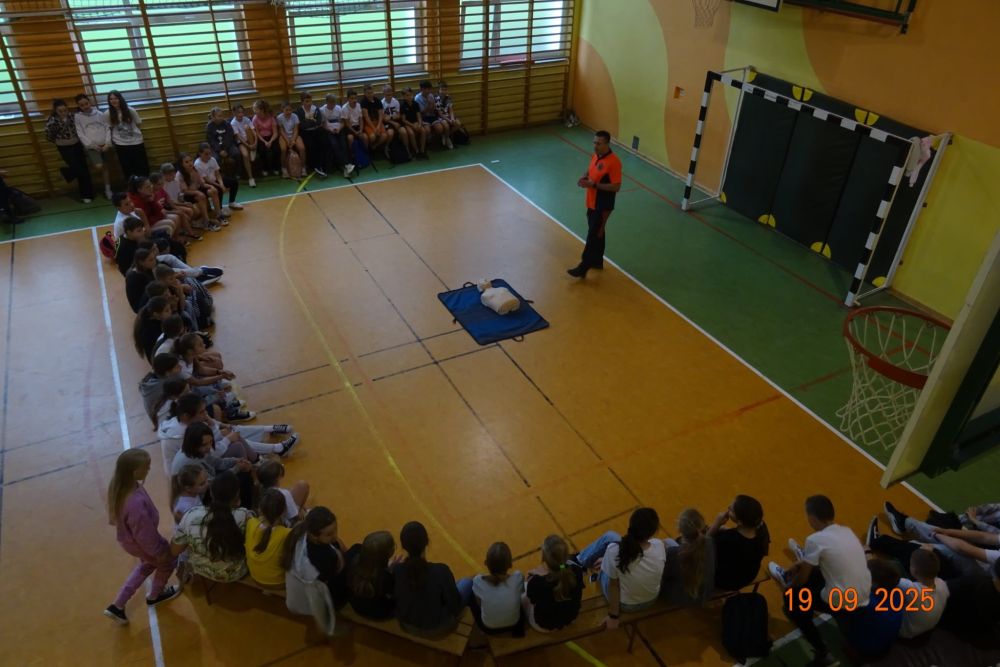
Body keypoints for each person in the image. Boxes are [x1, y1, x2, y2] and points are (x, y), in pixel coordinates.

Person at [768, 495, 871, 667]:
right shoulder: (847, 531)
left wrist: (789, 587)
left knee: (793, 599)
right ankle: (808, 558)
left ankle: (823, 652)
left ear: (812, 519)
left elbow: (802, 580)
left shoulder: (815, 540)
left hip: (842, 602)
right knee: (814, 571)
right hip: (863, 594)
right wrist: (804, 563)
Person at [103, 449, 181, 625]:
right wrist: (159, 552)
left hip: (130, 541)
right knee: (167, 562)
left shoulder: (122, 487)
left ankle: (117, 605)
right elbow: (145, 535)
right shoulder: (135, 504)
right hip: (142, 543)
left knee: (146, 565)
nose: (149, 469)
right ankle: (156, 595)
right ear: (134, 472)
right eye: (146, 467)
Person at [574, 507, 666, 627]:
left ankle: (579, 562)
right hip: (651, 598)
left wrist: (613, 616)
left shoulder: (614, 551)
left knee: (610, 536)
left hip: (625, 604)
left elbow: (613, 586)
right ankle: (584, 560)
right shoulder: (659, 545)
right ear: (653, 532)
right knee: (612, 542)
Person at [173, 471, 251, 582]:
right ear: (237, 496)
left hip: (201, 570)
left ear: (211, 493)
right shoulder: (245, 515)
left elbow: (174, 551)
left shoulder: (191, 514)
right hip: (235, 573)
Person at [392, 520, 463, 636]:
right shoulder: (441, 570)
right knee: (467, 583)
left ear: (403, 546)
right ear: (426, 542)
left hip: (406, 624)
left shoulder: (397, 570)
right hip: (436, 627)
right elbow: (455, 604)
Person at [567, 130, 623, 278]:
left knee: (592, 235)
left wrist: (594, 185)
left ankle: (583, 267)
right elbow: (590, 169)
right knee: (598, 232)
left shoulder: (614, 162)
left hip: (602, 205)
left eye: (598, 143)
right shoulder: (596, 156)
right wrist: (584, 176)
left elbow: (616, 186)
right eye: (594, 142)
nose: (595, 146)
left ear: (607, 144)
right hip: (592, 203)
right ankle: (597, 261)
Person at [280, 506, 349, 607]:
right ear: (314, 535)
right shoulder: (326, 557)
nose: (335, 535)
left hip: (301, 589)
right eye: (329, 534)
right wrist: (341, 559)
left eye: (335, 530)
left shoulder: (299, 531)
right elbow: (334, 574)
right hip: (318, 600)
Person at [839, 559, 904, 662]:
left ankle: (854, 653)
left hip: (868, 649)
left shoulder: (866, 603)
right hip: (888, 641)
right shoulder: (897, 593)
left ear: (874, 584)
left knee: (841, 615)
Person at [523, 534, 584, 632]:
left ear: (544, 558)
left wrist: (533, 578)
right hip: (571, 618)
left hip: (544, 625)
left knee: (524, 588)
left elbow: (532, 600)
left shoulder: (536, 582)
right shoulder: (577, 571)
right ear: (566, 556)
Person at [710, 494, 770, 591]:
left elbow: (704, 545)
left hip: (725, 581)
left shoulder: (729, 538)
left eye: (731, 510)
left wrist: (716, 524)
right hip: (748, 576)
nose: (728, 508)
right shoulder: (762, 530)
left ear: (740, 522)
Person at [462, 542, 524, 635]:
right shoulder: (518, 577)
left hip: (488, 628)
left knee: (471, 594)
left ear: (487, 563)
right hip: (514, 624)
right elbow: (521, 594)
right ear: (510, 564)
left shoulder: (478, 581)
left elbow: (479, 603)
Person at [661, 509, 714, 607]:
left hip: (679, 598)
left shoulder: (674, 553)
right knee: (668, 542)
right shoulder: (709, 542)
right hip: (704, 594)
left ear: (680, 530)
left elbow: (663, 575)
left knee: (666, 542)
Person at [45, 99, 93, 202]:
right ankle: (67, 173)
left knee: (84, 169)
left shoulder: (72, 116)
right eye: (60, 111)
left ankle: (88, 194)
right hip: (64, 147)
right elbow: (49, 135)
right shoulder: (52, 121)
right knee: (78, 169)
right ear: (56, 111)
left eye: (65, 110)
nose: (63, 113)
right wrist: (59, 141)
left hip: (77, 145)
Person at [896, 547, 949, 639]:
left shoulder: (909, 588)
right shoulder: (943, 584)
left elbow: (885, 576)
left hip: (906, 633)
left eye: (911, 564)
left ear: (914, 571)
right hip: (926, 630)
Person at [345, 530, 397, 620]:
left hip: (356, 607)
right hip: (379, 614)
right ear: (389, 554)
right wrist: (392, 571)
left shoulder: (354, 555)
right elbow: (393, 593)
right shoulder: (385, 577)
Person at [246, 488, 292, 587]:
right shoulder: (287, 533)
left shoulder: (251, 523)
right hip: (277, 582)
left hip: (254, 576)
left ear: (260, 510)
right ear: (284, 511)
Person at [74, 93, 113, 199]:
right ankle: (101, 187)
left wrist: (107, 143)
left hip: (104, 144)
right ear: (79, 106)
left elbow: (107, 128)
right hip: (92, 147)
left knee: (106, 167)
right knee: (99, 166)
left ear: (90, 102)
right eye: (82, 105)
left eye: (86, 103)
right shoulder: (78, 117)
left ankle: (108, 189)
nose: (85, 106)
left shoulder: (99, 114)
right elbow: (80, 133)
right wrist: (91, 145)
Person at [106, 90, 148, 181]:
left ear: (120, 99)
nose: (113, 101)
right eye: (111, 99)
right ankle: (132, 187)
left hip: (136, 142)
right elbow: (109, 128)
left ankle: (145, 185)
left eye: (116, 98)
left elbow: (138, 123)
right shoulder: (107, 113)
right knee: (127, 168)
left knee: (141, 166)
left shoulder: (130, 110)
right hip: (121, 144)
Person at [194, 142, 241, 218]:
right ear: (200, 153)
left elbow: (218, 174)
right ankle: (220, 209)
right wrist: (220, 186)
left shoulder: (212, 159)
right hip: (206, 184)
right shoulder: (197, 164)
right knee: (218, 189)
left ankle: (232, 202)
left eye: (210, 153)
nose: (209, 156)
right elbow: (207, 180)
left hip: (215, 180)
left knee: (234, 182)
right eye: (206, 154)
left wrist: (221, 183)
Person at [256, 460, 309, 526]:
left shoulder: (259, 490)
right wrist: (302, 513)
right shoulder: (283, 493)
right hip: (285, 524)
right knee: (302, 485)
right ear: (278, 477)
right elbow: (294, 517)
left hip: (269, 522)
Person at [319, 93, 355, 179]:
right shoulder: (322, 110)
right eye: (331, 103)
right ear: (327, 102)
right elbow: (323, 125)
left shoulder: (338, 108)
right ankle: (346, 165)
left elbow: (342, 122)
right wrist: (330, 130)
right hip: (329, 131)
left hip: (339, 130)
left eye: (334, 103)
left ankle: (346, 165)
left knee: (343, 144)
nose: (333, 105)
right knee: (334, 145)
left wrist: (339, 129)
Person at [133, 296, 173, 364]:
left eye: (170, 309)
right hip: (160, 362)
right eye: (167, 311)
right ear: (156, 314)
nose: (170, 312)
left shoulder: (153, 320)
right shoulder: (152, 331)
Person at [296, 92, 327, 178]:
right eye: (306, 101)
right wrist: (312, 121)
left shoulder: (316, 109)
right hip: (305, 133)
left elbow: (319, 122)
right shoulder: (299, 111)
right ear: (302, 102)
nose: (309, 103)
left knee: (324, 142)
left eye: (310, 101)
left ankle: (323, 165)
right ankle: (315, 166)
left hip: (316, 131)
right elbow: (302, 125)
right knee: (311, 146)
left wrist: (309, 122)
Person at [204, 107, 239, 176]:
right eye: (219, 116)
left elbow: (229, 138)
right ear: (213, 117)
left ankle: (237, 173)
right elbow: (211, 141)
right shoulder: (209, 126)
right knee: (215, 159)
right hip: (215, 148)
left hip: (228, 146)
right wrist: (220, 150)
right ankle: (221, 175)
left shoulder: (227, 124)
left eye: (222, 115)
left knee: (236, 153)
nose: (221, 118)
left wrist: (225, 149)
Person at [361, 84, 392, 157]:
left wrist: (378, 126)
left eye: (371, 92)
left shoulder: (377, 100)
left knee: (384, 136)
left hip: (378, 122)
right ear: (365, 93)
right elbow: (366, 117)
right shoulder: (363, 102)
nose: (370, 95)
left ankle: (374, 146)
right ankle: (370, 150)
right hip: (369, 123)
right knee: (372, 137)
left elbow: (380, 115)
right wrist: (374, 128)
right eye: (368, 93)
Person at [251, 99, 281, 177]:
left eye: (256, 109)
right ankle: (265, 168)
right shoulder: (255, 118)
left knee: (276, 149)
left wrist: (270, 141)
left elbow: (275, 132)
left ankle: (275, 167)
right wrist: (264, 142)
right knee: (261, 151)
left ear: (262, 110)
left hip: (271, 137)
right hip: (261, 137)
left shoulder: (271, 117)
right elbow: (257, 133)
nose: (254, 111)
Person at [230, 104, 257, 187]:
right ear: (234, 113)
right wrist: (248, 146)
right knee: (245, 155)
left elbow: (254, 131)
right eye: (238, 112)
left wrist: (255, 142)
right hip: (242, 142)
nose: (241, 114)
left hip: (251, 140)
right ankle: (251, 178)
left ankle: (253, 150)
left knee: (246, 127)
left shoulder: (246, 119)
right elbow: (238, 137)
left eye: (242, 112)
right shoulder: (233, 123)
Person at [381, 84, 412, 160]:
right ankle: (386, 147)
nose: (389, 96)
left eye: (390, 94)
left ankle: (407, 149)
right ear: (384, 94)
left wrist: (391, 117)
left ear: (392, 93)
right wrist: (393, 121)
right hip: (388, 123)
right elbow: (384, 118)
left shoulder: (395, 102)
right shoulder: (382, 103)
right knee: (390, 133)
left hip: (396, 121)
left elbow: (398, 115)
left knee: (404, 132)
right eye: (387, 95)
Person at [277, 100, 305, 179]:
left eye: (290, 110)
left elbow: (296, 130)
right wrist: (287, 141)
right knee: (283, 149)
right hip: (284, 136)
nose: (289, 112)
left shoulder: (295, 116)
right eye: (286, 110)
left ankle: (303, 168)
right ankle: (284, 169)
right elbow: (281, 131)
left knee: (302, 148)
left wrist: (293, 140)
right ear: (282, 110)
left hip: (294, 135)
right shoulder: (279, 117)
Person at [415, 80, 448, 147]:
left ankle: (435, 142)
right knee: (427, 130)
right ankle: (426, 143)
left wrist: (432, 105)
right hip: (423, 117)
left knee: (440, 129)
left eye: (429, 89)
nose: (428, 91)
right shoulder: (417, 98)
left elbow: (432, 110)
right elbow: (421, 113)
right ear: (421, 89)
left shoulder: (430, 95)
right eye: (426, 89)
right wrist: (428, 105)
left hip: (432, 116)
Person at [399, 87, 427, 159]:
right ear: (403, 97)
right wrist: (412, 125)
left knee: (423, 131)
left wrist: (419, 124)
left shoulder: (415, 104)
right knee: (411, 133)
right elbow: (404, 120)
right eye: (407, 95)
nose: (409, 97)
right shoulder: (403, 106)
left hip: (416, 122)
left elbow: (419, 116)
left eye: (411, 95)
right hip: (407, 124)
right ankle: (416, 151)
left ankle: (422, 150)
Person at [436, 81, 463, 147]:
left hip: (447, 115)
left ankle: (446, 136)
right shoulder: (436, 99)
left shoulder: (448, 97)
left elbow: (450, 109)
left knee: (458, 124)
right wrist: (449, 120)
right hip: (440, 117)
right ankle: (447, 138)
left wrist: (452, 118)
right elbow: (439, 114)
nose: (444, 91)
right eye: (442, 90)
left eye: (445, 90)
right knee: (446, 125)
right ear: (438, 90)